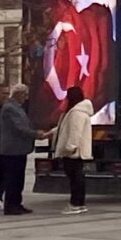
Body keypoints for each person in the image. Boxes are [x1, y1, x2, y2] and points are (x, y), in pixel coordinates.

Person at [52, 85, 95, 213]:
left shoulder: (77, 113)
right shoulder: (75, 111)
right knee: (76, 177)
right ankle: (78, 203)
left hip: (74, 152)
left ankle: (76, 203)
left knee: (75, 178)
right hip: (75, 151)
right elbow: (64, 127)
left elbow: (75, 132)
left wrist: (70, 148)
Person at [0, 85, 35, 214]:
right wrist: (36, 134)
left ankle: (17, 202)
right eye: (25, 95)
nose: (26, 98)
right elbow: (19, 128)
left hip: (20, 149)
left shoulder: (18, 107)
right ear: (18, 94)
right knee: (12, 179)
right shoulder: (10, 108)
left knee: (19, 179)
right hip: (12, 150)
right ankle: (10, 205)